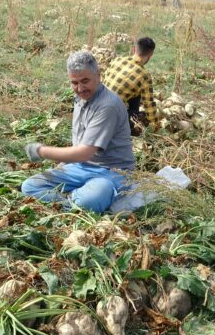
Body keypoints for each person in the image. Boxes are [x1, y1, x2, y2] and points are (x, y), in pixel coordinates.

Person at [21, 51, 135, 214]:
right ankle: (73, 202)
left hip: (112, 172)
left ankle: (78, 200)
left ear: (98, 75)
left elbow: (84, 153)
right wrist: (64, 166)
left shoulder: (107, 106)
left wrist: (41, 151)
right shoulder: (82, 98)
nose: (80, 88)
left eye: (85, 81)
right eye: (74, 83)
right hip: (81, 167)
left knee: (93, 197)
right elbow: (80, 147)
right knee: (30, 186)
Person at [102, 36, 160, 136]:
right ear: (150, 55)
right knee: (142, 117)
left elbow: (104, 80)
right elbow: (149, 104)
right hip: (109, 119)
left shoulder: (117, 60)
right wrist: (156, 126)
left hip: (95, 107)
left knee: (136, 92)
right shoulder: (144, 75)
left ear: (134, 49)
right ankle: (130, 128)